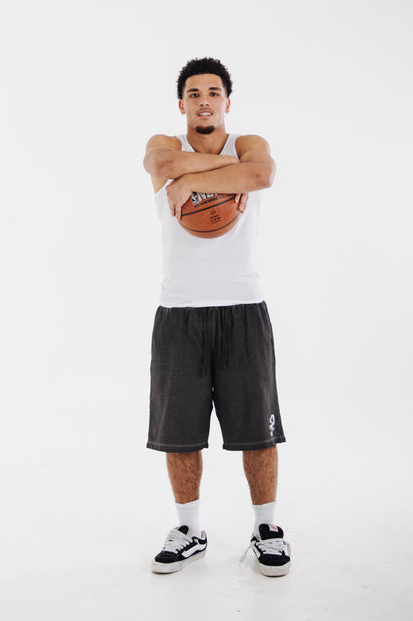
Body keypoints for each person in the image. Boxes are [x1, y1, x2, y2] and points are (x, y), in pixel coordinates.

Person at [143, 56, 290, 577]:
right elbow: (161, 165)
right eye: (193, 93)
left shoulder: (249, 144)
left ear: (227, 101)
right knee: (179, 433)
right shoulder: (164, 144)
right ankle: (189, 529)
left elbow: (262, 174)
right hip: (179, 312)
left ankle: (266, 528)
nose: (203, 101)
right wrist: (194, 174)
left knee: (259, 431)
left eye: (213, 92)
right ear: (181, 103)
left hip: (243, 307)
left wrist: (193, 180)